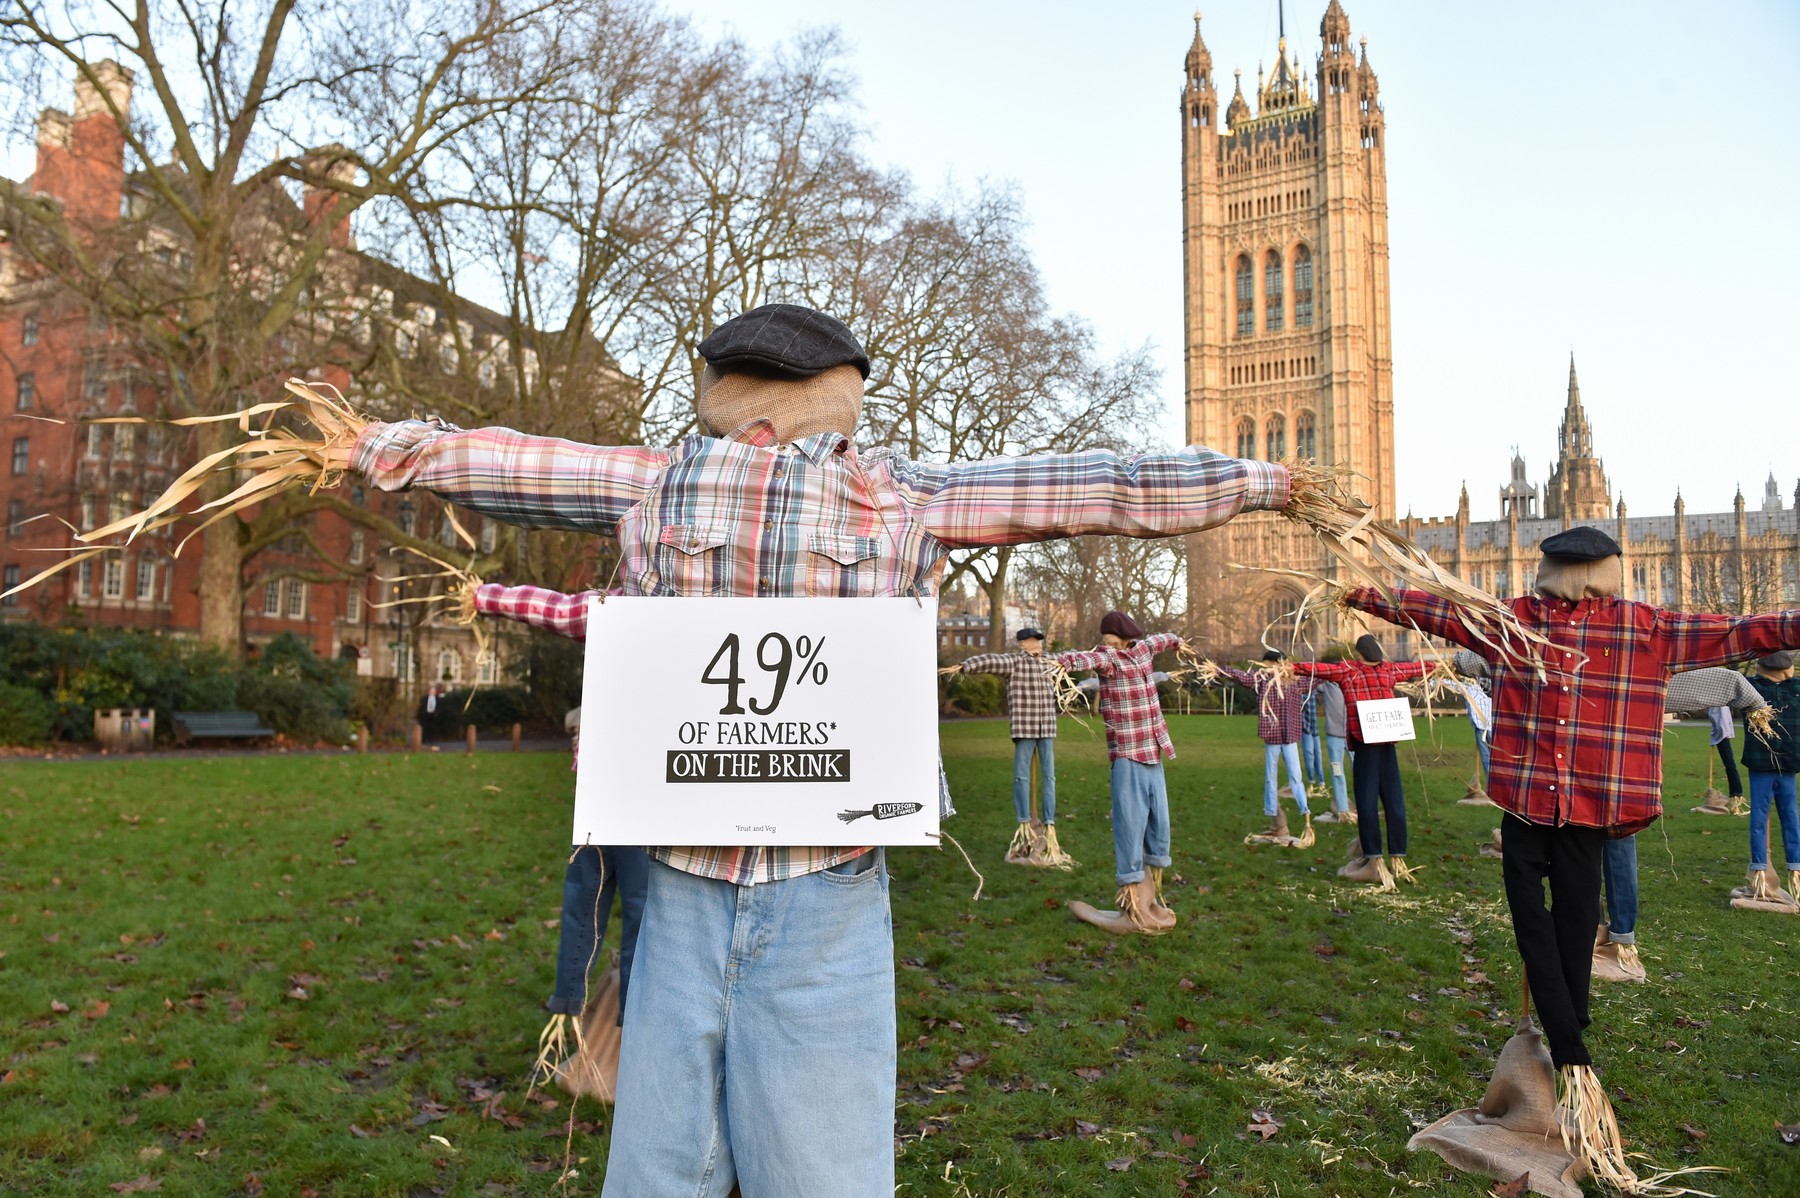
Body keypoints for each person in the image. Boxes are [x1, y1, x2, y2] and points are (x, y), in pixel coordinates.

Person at [344, 303, 1298, 1196]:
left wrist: (373, 450)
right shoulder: (898, 496)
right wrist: (1272, 483)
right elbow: (1105, 488)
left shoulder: (655, 481)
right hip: (809, 891)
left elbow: (504, 465)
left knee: (668, 1174)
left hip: (691, 883)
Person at [1342, 525, 1798, 1182]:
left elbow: (1740, 632)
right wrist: (1366, 592)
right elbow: (1743, 631)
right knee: (1546, 929)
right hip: (1535, 804)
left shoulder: (1627, 626)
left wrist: (1360, 589)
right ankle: (1572, 1051)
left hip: (1579, 807)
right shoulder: (1523, 624)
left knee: (1565, 927)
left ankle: (1568, 1050)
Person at [466, 582, 650, 1097]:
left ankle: (568, 1011)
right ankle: (634, 1037)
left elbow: (557, 610)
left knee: (584, 902)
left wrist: (483, 596)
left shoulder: (611, 605)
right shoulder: (664, 607)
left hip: (595, 788)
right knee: (641, 909)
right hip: (643, 790)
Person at [1055, 611, 1186, 935]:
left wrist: (1179, 643)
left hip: (1153, 750)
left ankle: (1149, 899)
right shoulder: (1108, 659)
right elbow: (1085, 657)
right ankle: (1131, 904)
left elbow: (1163, 639)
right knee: (1130, 824)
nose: (1104, 642)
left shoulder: (1142, 650)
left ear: (1125, 635)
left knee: (1159, 824)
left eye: (1109, 636)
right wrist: (1061, 662)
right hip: (1127, 755)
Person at [1292, 636, 1429, 885]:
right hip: (1388, 744)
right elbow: (1415, 668)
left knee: (1366, 802)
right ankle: (1398, 858)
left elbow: (1322, 670)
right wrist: (1441, 666)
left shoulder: (1349, 671)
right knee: (1394, 800)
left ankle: (1373, 859)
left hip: (1365, 744)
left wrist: (1291, 667)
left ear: (1359, 654)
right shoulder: (1389, 670)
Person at [959, 628, 1072, 867]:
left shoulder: (1050, 662)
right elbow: (990, 660)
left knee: (1049, 777)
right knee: (1021, 777)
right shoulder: (1014, 662)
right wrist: (965, 666)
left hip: (1047, 727)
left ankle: (1048, 824)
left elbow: (1071, 656)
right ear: (1023, 643)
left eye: (1038, 641)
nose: (1036, 645)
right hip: (1024, 727)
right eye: (1032, 641)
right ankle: (1025, 823)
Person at [1207, 650, 1314, 844]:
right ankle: (1278, 812)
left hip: (1287, 736)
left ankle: (1303, 812)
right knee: (1275, 777)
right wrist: (1221, 669)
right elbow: (1240, 676)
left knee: (1291, 777)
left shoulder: (1293, 680)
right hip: (1275, 736)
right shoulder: (1263, 679)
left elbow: (1316, 677)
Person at [1741, 651, 1800, 909]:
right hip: (1787, 762)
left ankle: (1760, 871)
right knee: (1791, 816)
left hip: (1762, 764)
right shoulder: (1796, 688)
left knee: (1759, 818)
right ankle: (1795, 869)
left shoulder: (1750, 687)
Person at [1311, 671, 1354, 823]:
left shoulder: (1353, 681)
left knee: (1362, 772)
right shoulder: (1327, 684)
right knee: (1337, 772)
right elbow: (1312, 681)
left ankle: (1364, 807)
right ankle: (1342, 810)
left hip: (1354, 735)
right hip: (1334, 736)